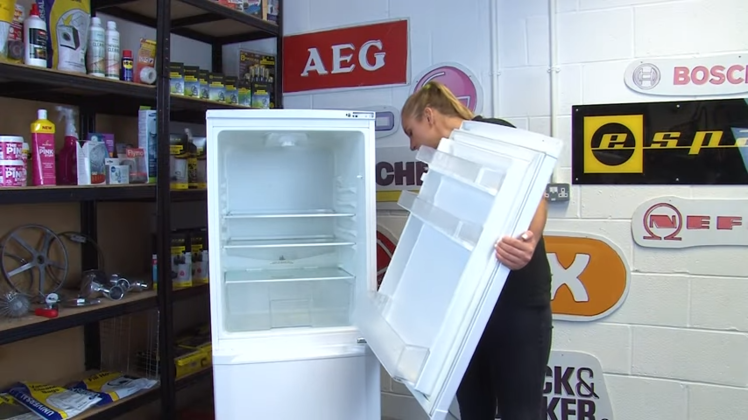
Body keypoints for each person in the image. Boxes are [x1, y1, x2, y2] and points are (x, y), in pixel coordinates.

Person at [400, 81, 553, 420]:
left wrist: (529, 239)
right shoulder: (443, 163)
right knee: (474, 408)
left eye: (411, 132)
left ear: (429, 116)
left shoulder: (493, 133)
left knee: (520, 412)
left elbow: (536, 194)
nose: (412, 145)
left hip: (516, 302)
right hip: (468, 310)